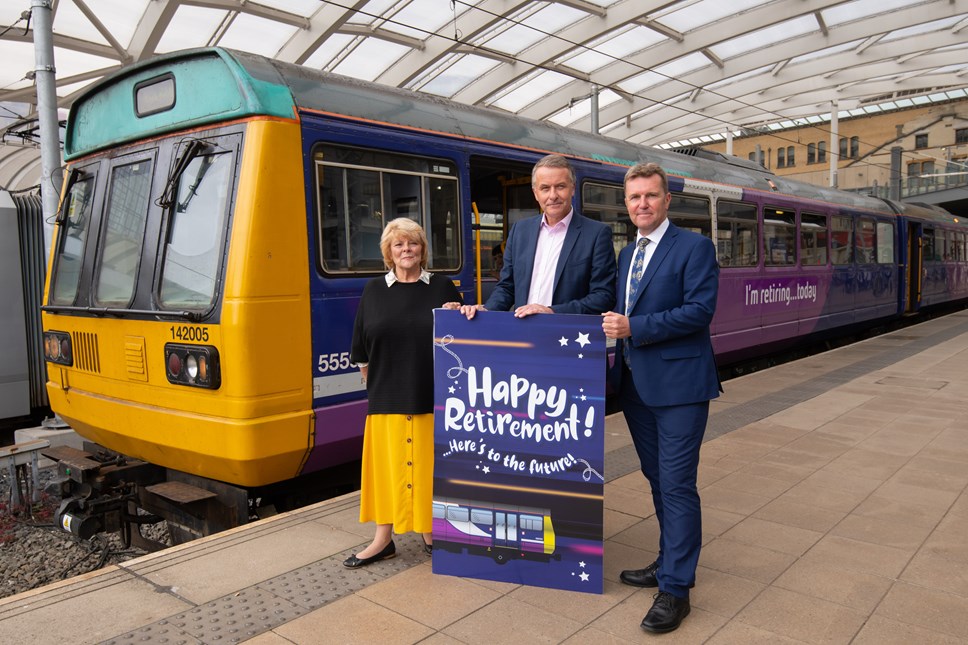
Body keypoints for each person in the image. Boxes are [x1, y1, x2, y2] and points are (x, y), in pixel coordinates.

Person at [601, 162, 720, 634]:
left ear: (667, 199)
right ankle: (667, 559)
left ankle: (675, 589)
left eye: (650, 196)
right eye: (634, 198)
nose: (642, 204)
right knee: (656, 478)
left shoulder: (694, 246)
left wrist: (636, 328)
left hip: (680, 388)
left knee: (676, 483)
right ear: (626, 204)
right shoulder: (627, 254)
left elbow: (699, 311)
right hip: (636, 386)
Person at [345, 217, 462, 568]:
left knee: (430, 466)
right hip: (386, 393)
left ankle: (430, 532)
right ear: (389, 252)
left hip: (432, 392)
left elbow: (463, 337)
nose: (406, 249)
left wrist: (465, 312)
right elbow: (360, 347)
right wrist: (377, 379)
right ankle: (383, 540)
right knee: (387, 468)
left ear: (422, 249)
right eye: (399, 244)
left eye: (412, 243)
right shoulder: (374, 290)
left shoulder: (442, 287)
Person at [460, 154, 615, 319]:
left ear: (573, 188)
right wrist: (487, 310)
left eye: (560, 186)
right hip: (524, 334)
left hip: (569, 338)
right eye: (545, 188)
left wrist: (552, 312)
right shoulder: (520, 230)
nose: (553, 195)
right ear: (535, 193)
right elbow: (507, 287)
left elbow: (604, 296)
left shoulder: (597, 234)